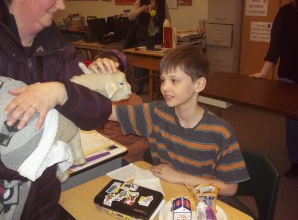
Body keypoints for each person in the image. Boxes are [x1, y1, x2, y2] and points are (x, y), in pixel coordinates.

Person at [0, 0, 112, 220]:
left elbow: (98, 111)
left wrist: (62, 91)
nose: (61, 5)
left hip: (45, 202)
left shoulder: (57, 46)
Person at [101, 44, 250, 197]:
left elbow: (230, 188)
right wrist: (95, 78)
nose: (164, 87)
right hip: (169, 193)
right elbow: (104, 111)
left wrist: (179, 177)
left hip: (202, 201)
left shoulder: (220, 131)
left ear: (198, 84)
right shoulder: (156, 114)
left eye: (174, 80)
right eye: (163, 80)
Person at [250, 0, 298, 178]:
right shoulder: (285, 13)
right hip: (289, 75)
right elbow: (275, 46)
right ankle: (297, 161)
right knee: (293, 122)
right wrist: (263, 73)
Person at [92, 50, 150, 166]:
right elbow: (97, 128)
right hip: (108, 151)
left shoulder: (133, 101)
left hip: (128, 157)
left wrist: (124, 154)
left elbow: (147, 139)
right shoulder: (98, 97)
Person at [126, 0, 171, 94]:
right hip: (144, 36)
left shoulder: (162, 1)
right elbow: (130, 16)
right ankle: (137, 90)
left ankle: (161, 90)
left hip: (158, 37)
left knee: (160, 63)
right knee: (140, 64)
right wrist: (141, 9)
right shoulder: (141, 0)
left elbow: (168, 18)